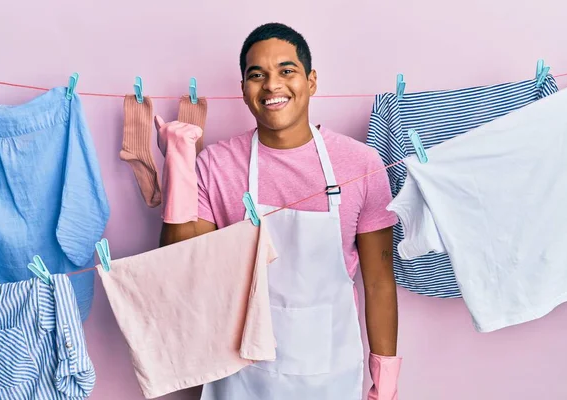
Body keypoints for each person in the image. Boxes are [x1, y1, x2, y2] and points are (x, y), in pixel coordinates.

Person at [156, 22, 402, 400]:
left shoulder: (361, 164)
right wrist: (179, 166)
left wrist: (384, 385)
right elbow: (184, 266)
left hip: (328, 370)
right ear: (243, 90)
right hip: (240, 374)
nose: (272, 85)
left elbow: (379, 282)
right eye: (257, 75)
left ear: (311, 80)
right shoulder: (216, 164)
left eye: (286, 71)